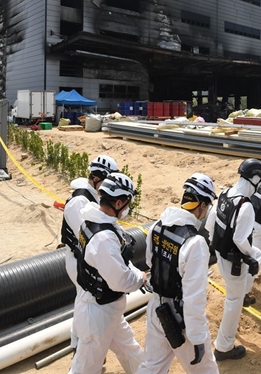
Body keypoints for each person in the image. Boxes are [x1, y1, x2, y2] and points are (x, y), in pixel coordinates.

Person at [136, 173, 218, 374]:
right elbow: (193, 297)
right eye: (206, 207)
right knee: (206, 371)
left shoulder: (158, 226)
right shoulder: (195, 243)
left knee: (152, 366)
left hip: (157, 307)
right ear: (201, 206)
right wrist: (198, 338)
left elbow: (150, 261)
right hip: (181, 319)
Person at [70, 172, 147, 374]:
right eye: (128, 202)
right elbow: (120, 280)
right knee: (86, 367)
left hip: (106, 306)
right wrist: (141, 278)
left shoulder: (93, 220)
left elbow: (118, 261)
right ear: (119, 202)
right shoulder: (103, 237)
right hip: (97, 312)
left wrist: (135, 271)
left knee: (127, 346)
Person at [205, 158, 261, 361]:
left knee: (256, 255)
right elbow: (240, 239)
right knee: (233, 300)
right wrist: (249, 257)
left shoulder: (224, 194)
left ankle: (245, 291)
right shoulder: (245, 205)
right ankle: (224, 346)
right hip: (235, 262)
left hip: (221, 255)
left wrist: (217, 246)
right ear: (255, 178)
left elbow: (210, 224)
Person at [60, 154, 119, 349]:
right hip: (77, 259)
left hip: (83, 258)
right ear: (95, 178)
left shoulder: (91, 197)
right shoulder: (80, 202)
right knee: (84, 299)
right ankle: (80, 345)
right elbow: (86, 236)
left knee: (84, 299)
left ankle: (83, 343)